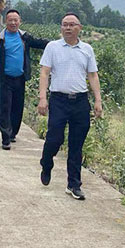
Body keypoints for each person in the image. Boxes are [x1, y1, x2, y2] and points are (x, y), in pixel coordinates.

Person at [37, 13, 102, 200]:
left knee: (76, 144)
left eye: (72, 24)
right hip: (59, 99)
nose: (68, 28)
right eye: (64, 24)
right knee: (54, 138)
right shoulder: (53, 47)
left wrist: (98, 100)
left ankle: (74, 184)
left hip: (80, 101)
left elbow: (93, 75)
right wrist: (42, 98)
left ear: (79, 28)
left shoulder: (87, 49)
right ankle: (46, 162)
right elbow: (44, 72)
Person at [0, 9, 49, 150]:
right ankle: (5, 137)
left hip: (20, 79)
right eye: (10, 20)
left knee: (17, 107)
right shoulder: (0, 39)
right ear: (5, 21)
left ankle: (13, 133)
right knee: (5, 108)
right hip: (5, 79)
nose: (13, 23)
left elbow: (40, 43)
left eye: (16, 20)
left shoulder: (24, 37)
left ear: (20, 21)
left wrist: (57, 44)